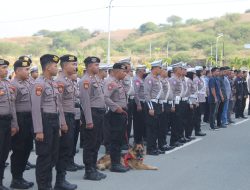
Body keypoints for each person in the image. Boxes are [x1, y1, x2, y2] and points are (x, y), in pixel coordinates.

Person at [31, 54, 68, 190]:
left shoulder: (52, 83)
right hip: (44, 121)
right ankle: (43, 185)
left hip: (53, 121)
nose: (57, 68)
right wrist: (39, 130)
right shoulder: (38, 84)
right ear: (47, 67)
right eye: (55, 66)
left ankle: (48, 184)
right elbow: (35, 108)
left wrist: (60, 124)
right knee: (44, 156)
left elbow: (58, 105)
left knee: (53, 155)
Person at [79, 56, 107, 180]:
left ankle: (93, 168)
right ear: (89, 66)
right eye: (96, 65)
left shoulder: (96, 79)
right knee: (90, 144)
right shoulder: (85, 81)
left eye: (98, 65)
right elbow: (85, 103)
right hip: (92, 115)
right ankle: (88, 171)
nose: (98, 67)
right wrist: (89, 120)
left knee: (96, 143)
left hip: (99, 114)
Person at [54, 55, 78, 190]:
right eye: (73, 64)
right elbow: (59, 105)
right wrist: (63, 122)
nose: (75, 67)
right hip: (64, 118)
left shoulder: (69, 81)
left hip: (71, 117)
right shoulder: (61, 82)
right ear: (65, 66)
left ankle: (62, 179)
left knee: (67, 148)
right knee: (63, 150)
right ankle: (59, 181)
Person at [10, 59, 34, 189]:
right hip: (20, 118)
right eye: (26, 69)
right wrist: (14, 123)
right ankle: (16, 179)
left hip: (29, 118)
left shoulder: (28, 83)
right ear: (18, 71)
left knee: (27, 147)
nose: (28, 72)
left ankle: (20, 176)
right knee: (19, 149)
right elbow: (12, 106)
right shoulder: (14, 85)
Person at [104, 62, 129, 172]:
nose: (125, 74)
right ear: (117, 71)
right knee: (115, 140)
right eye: (124, 71)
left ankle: (117, 162)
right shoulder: (111, 82)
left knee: (119, 140)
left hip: (121, 113)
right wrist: (116, 107)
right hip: (116, 114)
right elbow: (105, 97)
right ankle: (115, 164)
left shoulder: (119, 82)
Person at [0, 58, 19, 190]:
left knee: (3, 153)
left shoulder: (7, 83)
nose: (6, 70)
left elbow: (12, 106)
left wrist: (14, 124)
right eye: (3, 68)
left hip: (7, 122)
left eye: (6, 68)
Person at [144, 60, 165, 155]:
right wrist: (150, 108)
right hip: (152, 104)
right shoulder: (149, 78)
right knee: (151, 128)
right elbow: (147, 94)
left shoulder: (157, 78)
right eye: (160, 68)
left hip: (158, 104)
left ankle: (155, 146)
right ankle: (150, 148)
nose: (161, 70)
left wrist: (161, 105)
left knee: (157, 127)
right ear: (155, 68)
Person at [158, 65, 175, 150]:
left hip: (168, 104)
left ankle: (164, 142)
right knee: (162, 125)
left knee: (165, 125)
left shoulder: (166, 80)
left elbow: (170, 93)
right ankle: (162, 144)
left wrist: (172, 105)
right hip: (162, 104)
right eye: (164, 70)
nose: (166, 72)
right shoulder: (159, 80)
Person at [133, 64, 147, 144]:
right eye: (144, 70)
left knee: (143, 122)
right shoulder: (136, 80)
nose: (145, 72)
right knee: (138, 122)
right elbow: (136, 93)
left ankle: (142, 138)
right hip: (139, 103)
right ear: (140, 71)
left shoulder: (141, 79)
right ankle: (137, 140)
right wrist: (138, 104)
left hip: (143, 102)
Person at [193, 66, 206, 136]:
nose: (202, 72)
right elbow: (195, 91)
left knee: (199, 115)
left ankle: (198, 129)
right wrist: (196, 100)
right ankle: (197, 130)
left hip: (202, 99)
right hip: (198, 100)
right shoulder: (196, 79)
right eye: (201, 71)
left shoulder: (201, 79)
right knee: (197, 116)